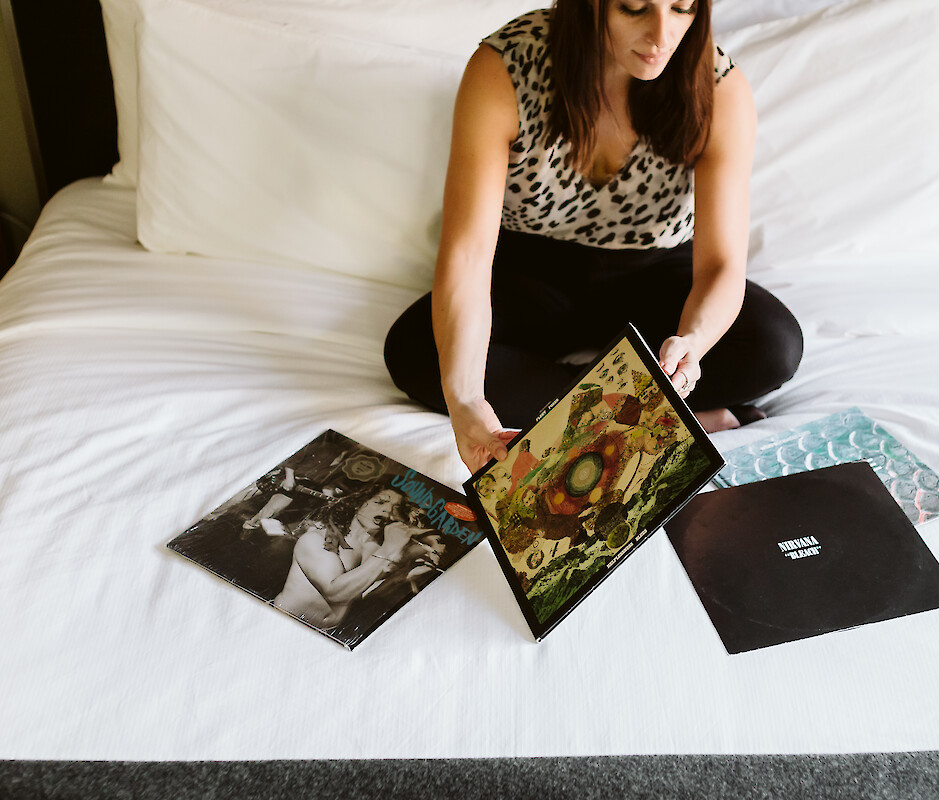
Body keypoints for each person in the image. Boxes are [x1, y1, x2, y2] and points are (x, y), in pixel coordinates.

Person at [384, 0, 804, 473]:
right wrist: (465, 399)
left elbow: (721, 264)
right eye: (634, 8)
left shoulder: (719, 87)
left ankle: (593, 411)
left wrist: (693, 340)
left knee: (774, 347)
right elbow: (468, 254)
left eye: (682, 8)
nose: (661, 35)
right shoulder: (505, 67)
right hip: (531, 268)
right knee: (417, 352)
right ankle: (668, 419)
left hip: (654, 270)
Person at [272, 486, 415, 629]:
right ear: (359, 503)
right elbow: (334, 594)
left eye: (395, 508)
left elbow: (364, 595)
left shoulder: (378, 550)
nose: (388, 511)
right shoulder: (318, 538)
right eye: (380, 502)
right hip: (282, 622)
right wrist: (388, 550)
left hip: (326, 632)